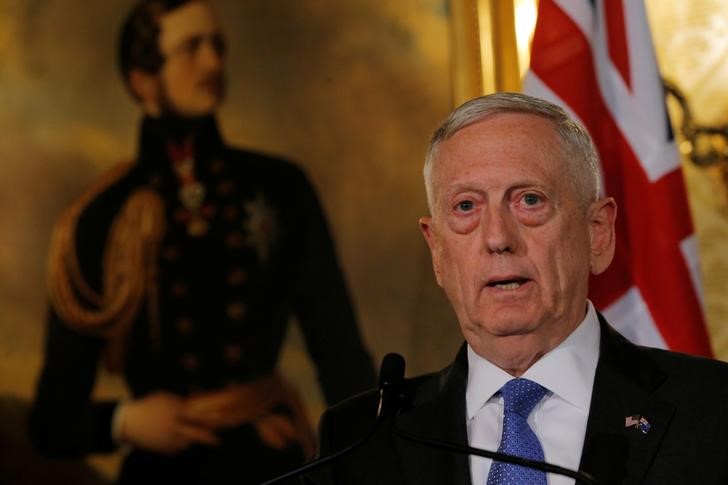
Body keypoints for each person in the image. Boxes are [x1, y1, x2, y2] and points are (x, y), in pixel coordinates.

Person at [29, 1, 375, 484]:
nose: (213, 63)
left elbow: (342, 360)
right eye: (191, 48)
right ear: (142, 81)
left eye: (217, 46)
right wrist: (127, 421)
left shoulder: (280, 188)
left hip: (269, 461)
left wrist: (370, 461)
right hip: (159, 474)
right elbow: (51, 420)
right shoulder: (99, 219)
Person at [307, 92, 728, 485]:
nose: (497, 238)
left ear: (597, 233)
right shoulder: (358, 438)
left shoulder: (714, 410)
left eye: (529, 200)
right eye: (466, 206)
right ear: (436, 249)